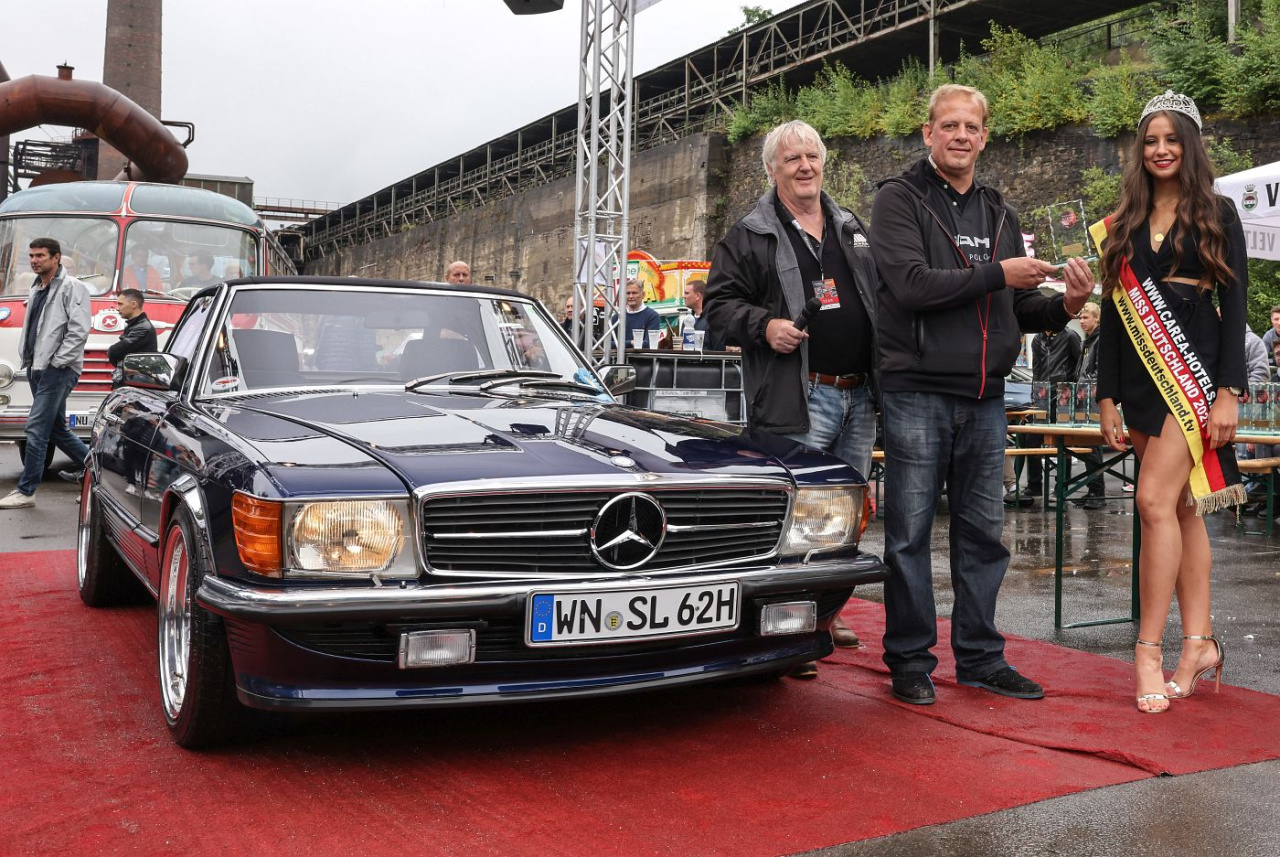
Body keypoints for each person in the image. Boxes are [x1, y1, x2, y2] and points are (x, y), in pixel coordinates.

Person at [870, 84, 1092, 705]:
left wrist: (1067, 305)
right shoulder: (897, 198)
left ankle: (981, 657)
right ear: (928, 133)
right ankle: (910, 660)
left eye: (971, 126)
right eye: (950, 125)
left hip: (987, 395)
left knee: (984, 536)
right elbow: (911, 286)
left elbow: (1019, 306)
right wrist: (997, 273)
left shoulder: (999, 211)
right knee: (909, 536)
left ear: (985, 137)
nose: (961, 136)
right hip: (917, 389)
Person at [705, 119, 880, 677]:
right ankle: (788, 631)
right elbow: (717, 309)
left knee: (843, 517)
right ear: (771, 170)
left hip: (857, 395)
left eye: (812, 156)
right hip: (798, 395)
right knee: (792, 517)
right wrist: (765, 325)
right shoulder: (749, 234)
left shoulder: (850, 226)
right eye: (792, 159)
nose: (805, 166)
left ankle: (827, 613)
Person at [1094, 90, 1248, 714]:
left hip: (1193, 367)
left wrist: (1229, 390)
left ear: (1191, 145)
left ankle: (1147, 650)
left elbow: (1236, 302)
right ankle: (1199, 645)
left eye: (1172, 140)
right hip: (1137, 375)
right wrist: (1105, 394)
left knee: (1152, 502)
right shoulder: (1124, 220)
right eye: (1151, 140)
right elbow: (1112, 314)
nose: (1161, 150)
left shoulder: (1218, 211)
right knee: (1182, 509)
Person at [0, 238, 92, 509]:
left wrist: (58, 362)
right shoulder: (37, 287)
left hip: (57, 370)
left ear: (56, 258)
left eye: (40, 255)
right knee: (57, 429)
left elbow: (79, 329)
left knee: (36, 428)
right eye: (31, 256)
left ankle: (26, 490)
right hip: (36, 366)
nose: (34, 260)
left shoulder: (73, 287)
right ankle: (101, 475)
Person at [1020, 326, 1082, 502]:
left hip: (1063, 393)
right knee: (1031, 438)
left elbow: (1079, 366)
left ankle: (1061, 486)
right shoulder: (1037, 339)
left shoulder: (1070, 336)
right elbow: (1037, 370)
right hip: (1042, 393)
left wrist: (1073, 391)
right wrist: (1034, 396)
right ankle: (1034, 485)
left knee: (1063, 440)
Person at [1071, 302, 1107, 510]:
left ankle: (1097, 492)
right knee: (1086, 445)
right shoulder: (1088, 341)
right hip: (1083, 396)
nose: (1081, 321)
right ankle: (1093, 489)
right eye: (1080, 318)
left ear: (1096, 318)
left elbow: (1099, 371)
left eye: (1085, 317)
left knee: (1092, 445)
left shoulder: (1100, 340)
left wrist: (1087, 389)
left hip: (1092, 398)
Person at [681, 278, 724, 351]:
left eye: (687, 293)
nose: (683, 296)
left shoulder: (713, 320)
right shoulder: (687, 321)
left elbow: (719, 352)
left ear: (697, 296)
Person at [623, 279, 661, 346]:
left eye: (634, 293)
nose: (630, 296)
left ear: (643, 295)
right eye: (628, 293)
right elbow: (606, 343)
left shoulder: (652, 316)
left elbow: (648, 344)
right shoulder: (617, 317)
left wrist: (622, 344)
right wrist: (631, 342)